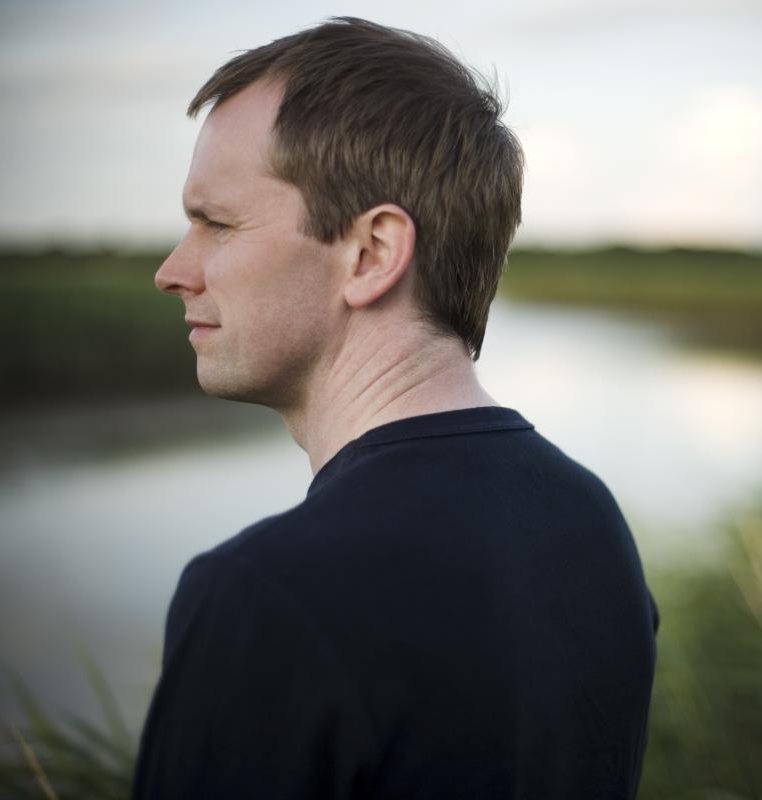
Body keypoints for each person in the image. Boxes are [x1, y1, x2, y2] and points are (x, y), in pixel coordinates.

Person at [133, 17, 659, 799]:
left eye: (217, 223)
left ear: (372, 254)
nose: (174, 270)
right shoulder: (588, 520)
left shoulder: (266, 597)